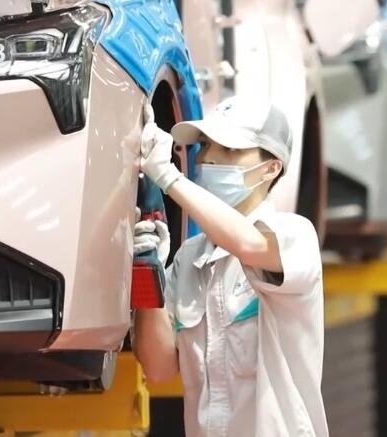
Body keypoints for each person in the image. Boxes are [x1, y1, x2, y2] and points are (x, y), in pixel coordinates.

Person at [130, 96, 329, 436]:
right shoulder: (189, 258)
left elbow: (248, 245)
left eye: (229, 149)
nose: (207, 157)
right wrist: (149, 268)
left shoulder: (294, 236)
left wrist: (167, 176)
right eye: (206, 145)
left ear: (271, 168)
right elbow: (159, 367)